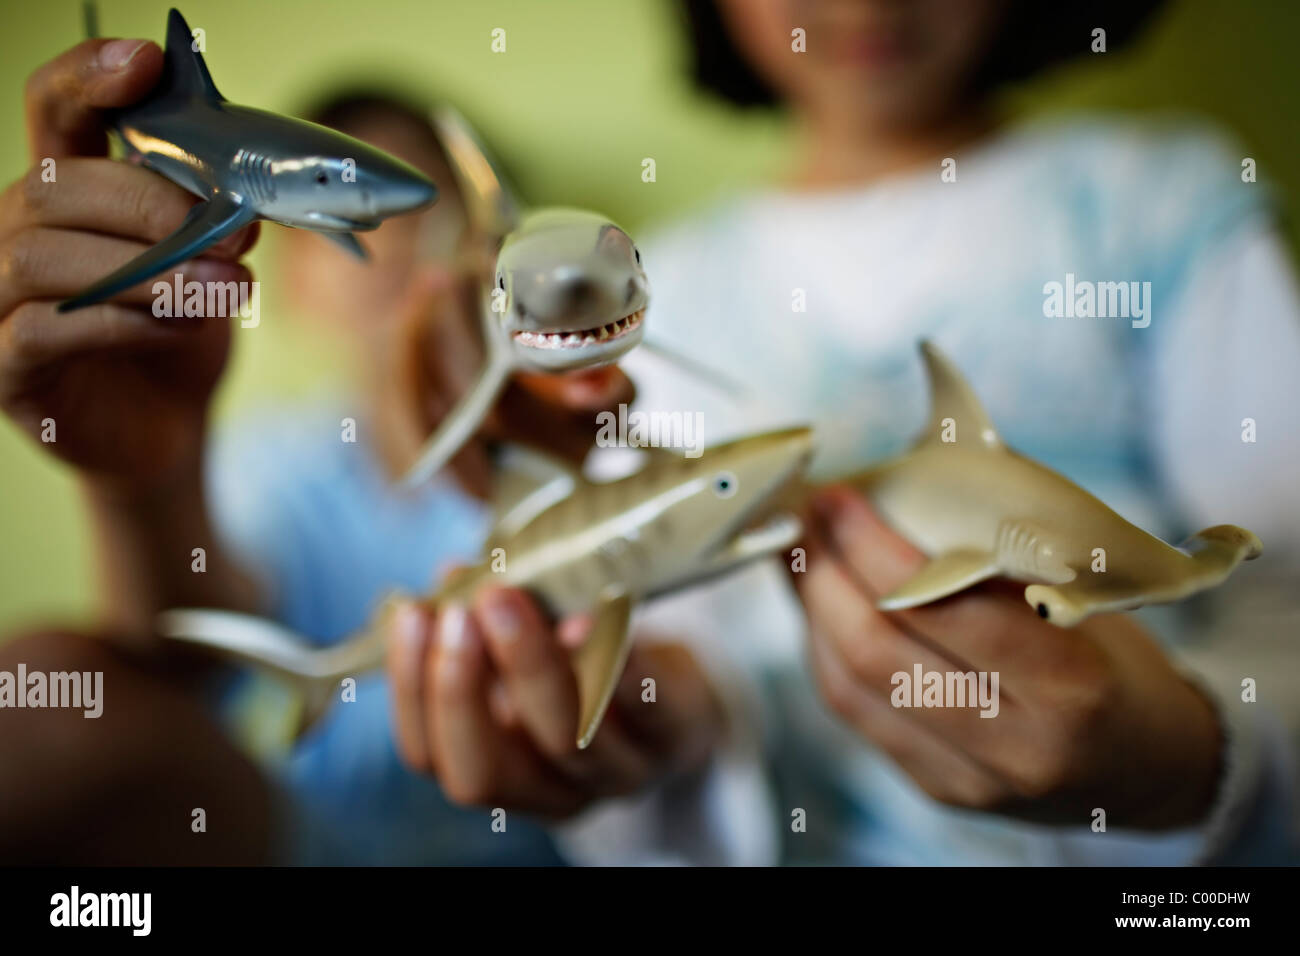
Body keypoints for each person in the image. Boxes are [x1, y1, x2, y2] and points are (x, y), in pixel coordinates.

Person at [563, 0, 1298, 863]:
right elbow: (667, 689)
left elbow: (1281, 601)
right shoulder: (660, 302)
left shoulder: (1156, 208)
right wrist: (644, 734)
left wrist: (1189, 761)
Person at [0, 37, 744, 864]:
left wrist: (666, 710)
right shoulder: (274, 463)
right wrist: (147, 484)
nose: (383, 234)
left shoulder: (590, 432)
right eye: (329, 206)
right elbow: (187, 657)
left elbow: (687, 650)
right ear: (284, 278)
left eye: (419, 200)